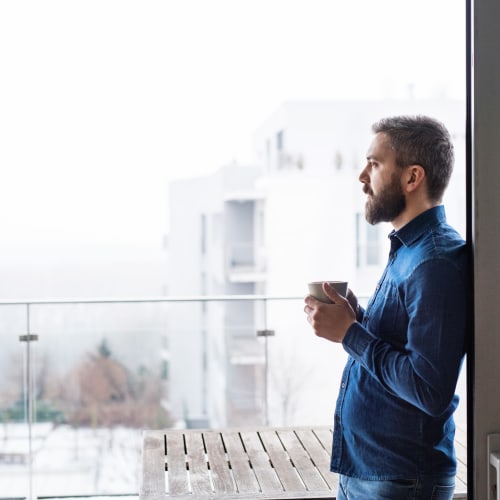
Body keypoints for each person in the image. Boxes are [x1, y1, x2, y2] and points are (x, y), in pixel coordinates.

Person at [304, 115, 467, 500]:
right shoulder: (410, 251)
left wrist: (349, 333)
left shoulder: (435, 262)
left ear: (412, 178)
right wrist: (356, 319)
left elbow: (429, 389)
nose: (362, 176)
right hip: (372, 474)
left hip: (400, 482)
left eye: (374, 164)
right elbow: (403, 345)